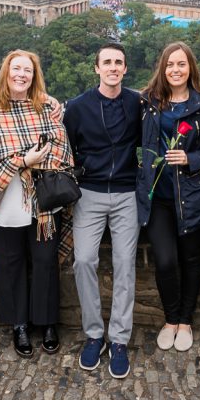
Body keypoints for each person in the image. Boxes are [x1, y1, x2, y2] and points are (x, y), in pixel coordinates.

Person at [0, 50, 74, 359]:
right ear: (6, 73)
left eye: (27, 70)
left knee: (45, 262)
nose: (21, 75)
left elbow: (60, 148)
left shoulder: (45, 108)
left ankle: (48, 322)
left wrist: (27, 160)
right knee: (10, 264)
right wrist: (26, 159)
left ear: (34, 76)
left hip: (43, 205)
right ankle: (19, 325)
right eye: (16, 69)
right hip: (7, 204)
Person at [137, 41, 200, 353]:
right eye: (170, 64)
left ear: (190, 69)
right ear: (163, 68)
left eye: (181, 64)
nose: (175, 70)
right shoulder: (147, 101)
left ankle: (185, 320)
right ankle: (170, 318)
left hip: (192, 195)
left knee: (190, 259)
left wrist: (190, 159)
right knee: (165, 260)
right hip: (157, 197)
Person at [64, 42, 140, 378]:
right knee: (83, 261)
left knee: (125, 264)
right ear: (97, 67)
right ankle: (94, 334)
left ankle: (119, 338)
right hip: (90, 192)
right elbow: (65, 146)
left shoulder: (138, 103)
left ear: (125, 68)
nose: (112, 67)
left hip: (126, 193)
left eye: (118, 62)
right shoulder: (79, 106)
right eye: (106, 62)